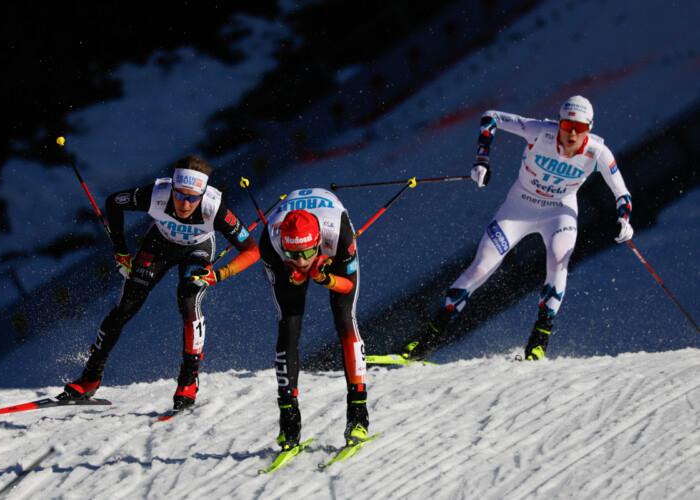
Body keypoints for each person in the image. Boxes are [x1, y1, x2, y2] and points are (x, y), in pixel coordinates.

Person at [403, 96, 634, 361]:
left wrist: (624, 221)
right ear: (559, 122)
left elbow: (622, 194)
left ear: (589, 129)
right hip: (519, 208)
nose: (572, 133)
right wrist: (481, 160)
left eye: (580, 128)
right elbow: (492, 117)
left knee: (560, 259)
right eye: (568, 124)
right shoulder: (540, 132)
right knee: (480, 267)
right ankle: (429, 339)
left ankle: (538, 341)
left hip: (559, 213)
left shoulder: (598, 153)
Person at [59, 155, 260, 410]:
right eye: (180, 195)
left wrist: (219, 274)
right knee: (125, 307)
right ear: (172, 188)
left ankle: (188, 380)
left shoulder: (214, 208)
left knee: (188, 298)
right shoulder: (156, 194)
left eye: (192, 197)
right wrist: (121, 250)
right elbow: (113, 202)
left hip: (197, 249)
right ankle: (90, 378)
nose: (185, 203)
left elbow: (252, 250)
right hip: (159, 244)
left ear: (202, 194)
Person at [258, 188, 368, 451]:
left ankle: (358, 415)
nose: (301, 260)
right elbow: (287, 269)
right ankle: (288, 421)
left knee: (345, 318)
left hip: (332, 223)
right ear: (284, 246)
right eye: (294, 254)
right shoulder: (270, 243)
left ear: (318, 240)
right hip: (294, 233)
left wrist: (326, 278)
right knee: (288, 325)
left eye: (307, 253)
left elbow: (346, 287)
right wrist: (290, 273)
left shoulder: (339, 233)